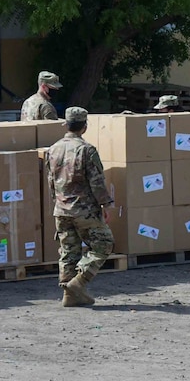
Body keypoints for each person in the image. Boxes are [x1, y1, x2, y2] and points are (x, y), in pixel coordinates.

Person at [47, 107, 115, 307]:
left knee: (69, 250)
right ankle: (79, 282)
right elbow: (97, 182)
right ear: (84, 127)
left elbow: (51, 181)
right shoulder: (87, 150)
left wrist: (57, 203)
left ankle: (69, 294)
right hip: (83, 209)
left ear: (66, 125)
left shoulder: (53, 149)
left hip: (61, 209)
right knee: (104, 244)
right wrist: (105, 204)